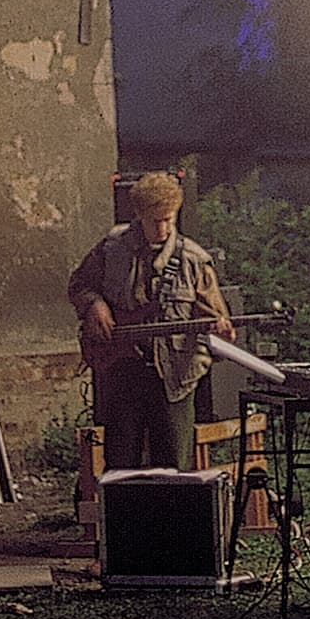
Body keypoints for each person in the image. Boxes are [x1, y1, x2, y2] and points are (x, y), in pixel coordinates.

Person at [68, 171, 233, 471]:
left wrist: (221, 329)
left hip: (175, 377)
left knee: (172, 467)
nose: (163, 227)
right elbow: (79, 284)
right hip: (122, 372)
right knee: (120, 464)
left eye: (169, 219)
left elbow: (214, 314)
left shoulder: (194, 260)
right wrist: (95, 305)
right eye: (155, 220)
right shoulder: (110, 248)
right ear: (139, 215)